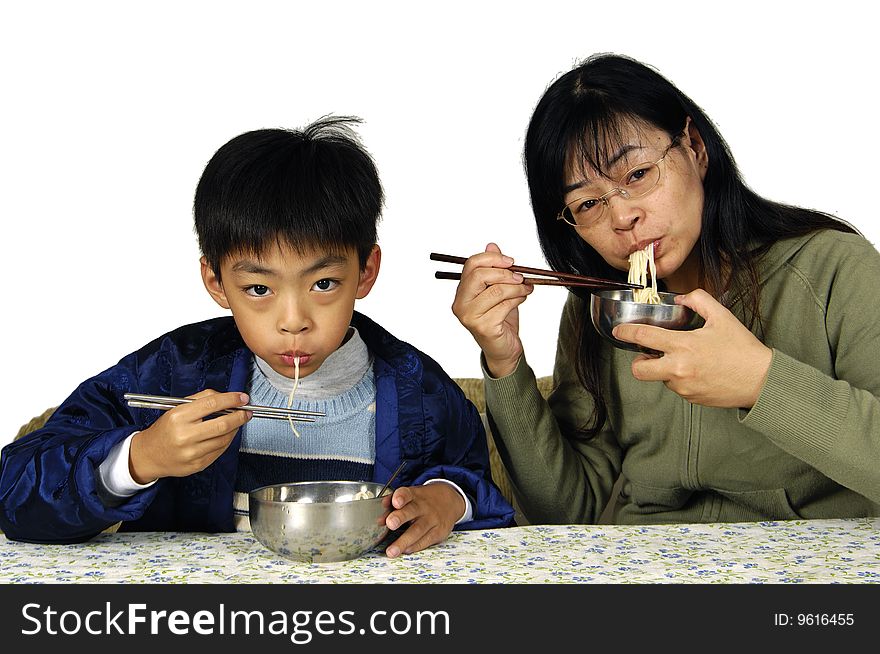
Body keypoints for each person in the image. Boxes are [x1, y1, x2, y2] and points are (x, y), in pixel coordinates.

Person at [0, 116, 514, 553]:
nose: (293, 319)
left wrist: (447, 498)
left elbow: (476, 482)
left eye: (324, 283)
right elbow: (15, 490)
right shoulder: (175, 370)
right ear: (216, 282)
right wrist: (139, 459)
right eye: (259, 289)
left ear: (366, 271)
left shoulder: (416, 388)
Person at [450, 54, 880, 525]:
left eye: (636, 174)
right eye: (588, 202)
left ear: (694, 147)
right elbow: (567, 513)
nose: (621, 217)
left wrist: (760, 380)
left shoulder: (834, 269)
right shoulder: (603, 310)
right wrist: (504, 361)